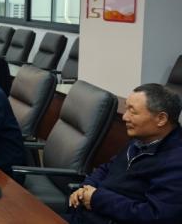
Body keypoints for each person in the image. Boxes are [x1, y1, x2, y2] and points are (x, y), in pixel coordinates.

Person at [65, 83, 182, 224]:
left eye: (133, 112)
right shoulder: (141, 139)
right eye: (126, 109)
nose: (125, 117)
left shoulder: (176, 162)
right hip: (87, 214)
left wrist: (97, 198)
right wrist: (84, 189)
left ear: (161, 119)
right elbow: (107, 168)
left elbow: (154, 216)